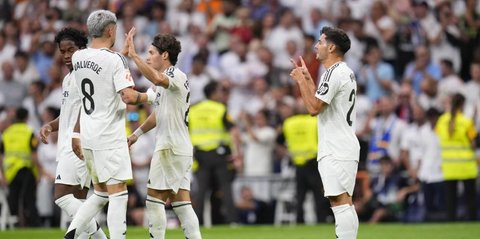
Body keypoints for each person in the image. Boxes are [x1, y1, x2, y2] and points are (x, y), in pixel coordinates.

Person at [62, 10, 149, 239]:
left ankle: (71, 233)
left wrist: (123, 55)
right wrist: (150, 96)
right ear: (111, 30)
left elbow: (102, 68)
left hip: (89, 135)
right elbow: (128, 97)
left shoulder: (79, 57)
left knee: (100, 193)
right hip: (109, 136)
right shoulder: (115, 60)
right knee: (118, 193)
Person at [123, 28, 202, 239]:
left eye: (151, 53)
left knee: (154, 200)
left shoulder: (174, 74)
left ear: (164, 55)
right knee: (182, 203)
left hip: (169, 147)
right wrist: (135, 133)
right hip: (179, 148)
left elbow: (157, 81)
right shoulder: (163, 82)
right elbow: (154, 110)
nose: (149, 58)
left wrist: (134, 56)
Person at [290, 26, 360, 239]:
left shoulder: (334, 72)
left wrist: (301, 81)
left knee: (340, 201)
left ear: (331, 47)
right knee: (343, 201)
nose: (316, 46)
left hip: (336, 147)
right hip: (343, 144)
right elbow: (321, 103)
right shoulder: (343, 71)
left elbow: (313, 108)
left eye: (320, 42)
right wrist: (309, 79)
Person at [39, 27, 107, 238]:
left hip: (78, 142)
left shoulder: (84, 75)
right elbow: (68, 113)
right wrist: (50, 125)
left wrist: (77, 135)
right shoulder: (68, 78)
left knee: (61, 197)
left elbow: (88, 110)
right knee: (79, 203)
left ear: (82, 48)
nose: (67, 55)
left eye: (71, 50)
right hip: (73, 141)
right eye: (63, 51)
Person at [188, 81, 242, 225]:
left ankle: (196, 223)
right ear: (213, 93)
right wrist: (237, 155)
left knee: (201, 191)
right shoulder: (220, 108)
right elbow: (234, 132)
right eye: (219, 91)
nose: (222, 94)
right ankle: (232, 222)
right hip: (219, 154)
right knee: (225, 188)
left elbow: (185, 132)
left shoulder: (193, 109)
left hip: (199, 154)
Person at [277, 106, 331, 224]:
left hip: (298, 163)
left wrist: (288, 154)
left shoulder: (288, 123)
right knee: (319, 195)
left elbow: (278, 141)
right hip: (313, 162)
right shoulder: (315, 120)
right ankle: (321, 221)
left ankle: (299, 222)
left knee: (300, 196)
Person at [435, 93, 478, 221]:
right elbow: (473, 144)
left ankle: (451, 224)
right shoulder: (466, 121)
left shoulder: (442, 120)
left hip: (449, 166)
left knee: (450, 200)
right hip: (466, 165)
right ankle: (471, 222)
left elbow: (438, 134)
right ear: (462, 105)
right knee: (470, 199)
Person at [0, 107, 41, 227]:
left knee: (13, 197)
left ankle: (13, 223)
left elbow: (1, 155)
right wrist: (38, 172)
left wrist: (2, 173)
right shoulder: (29, 131)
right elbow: (34, 155)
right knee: (29, 198)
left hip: (10, 170)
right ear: (27, 117)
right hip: (26, 169)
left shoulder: (6, 133)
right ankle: (34, 223)